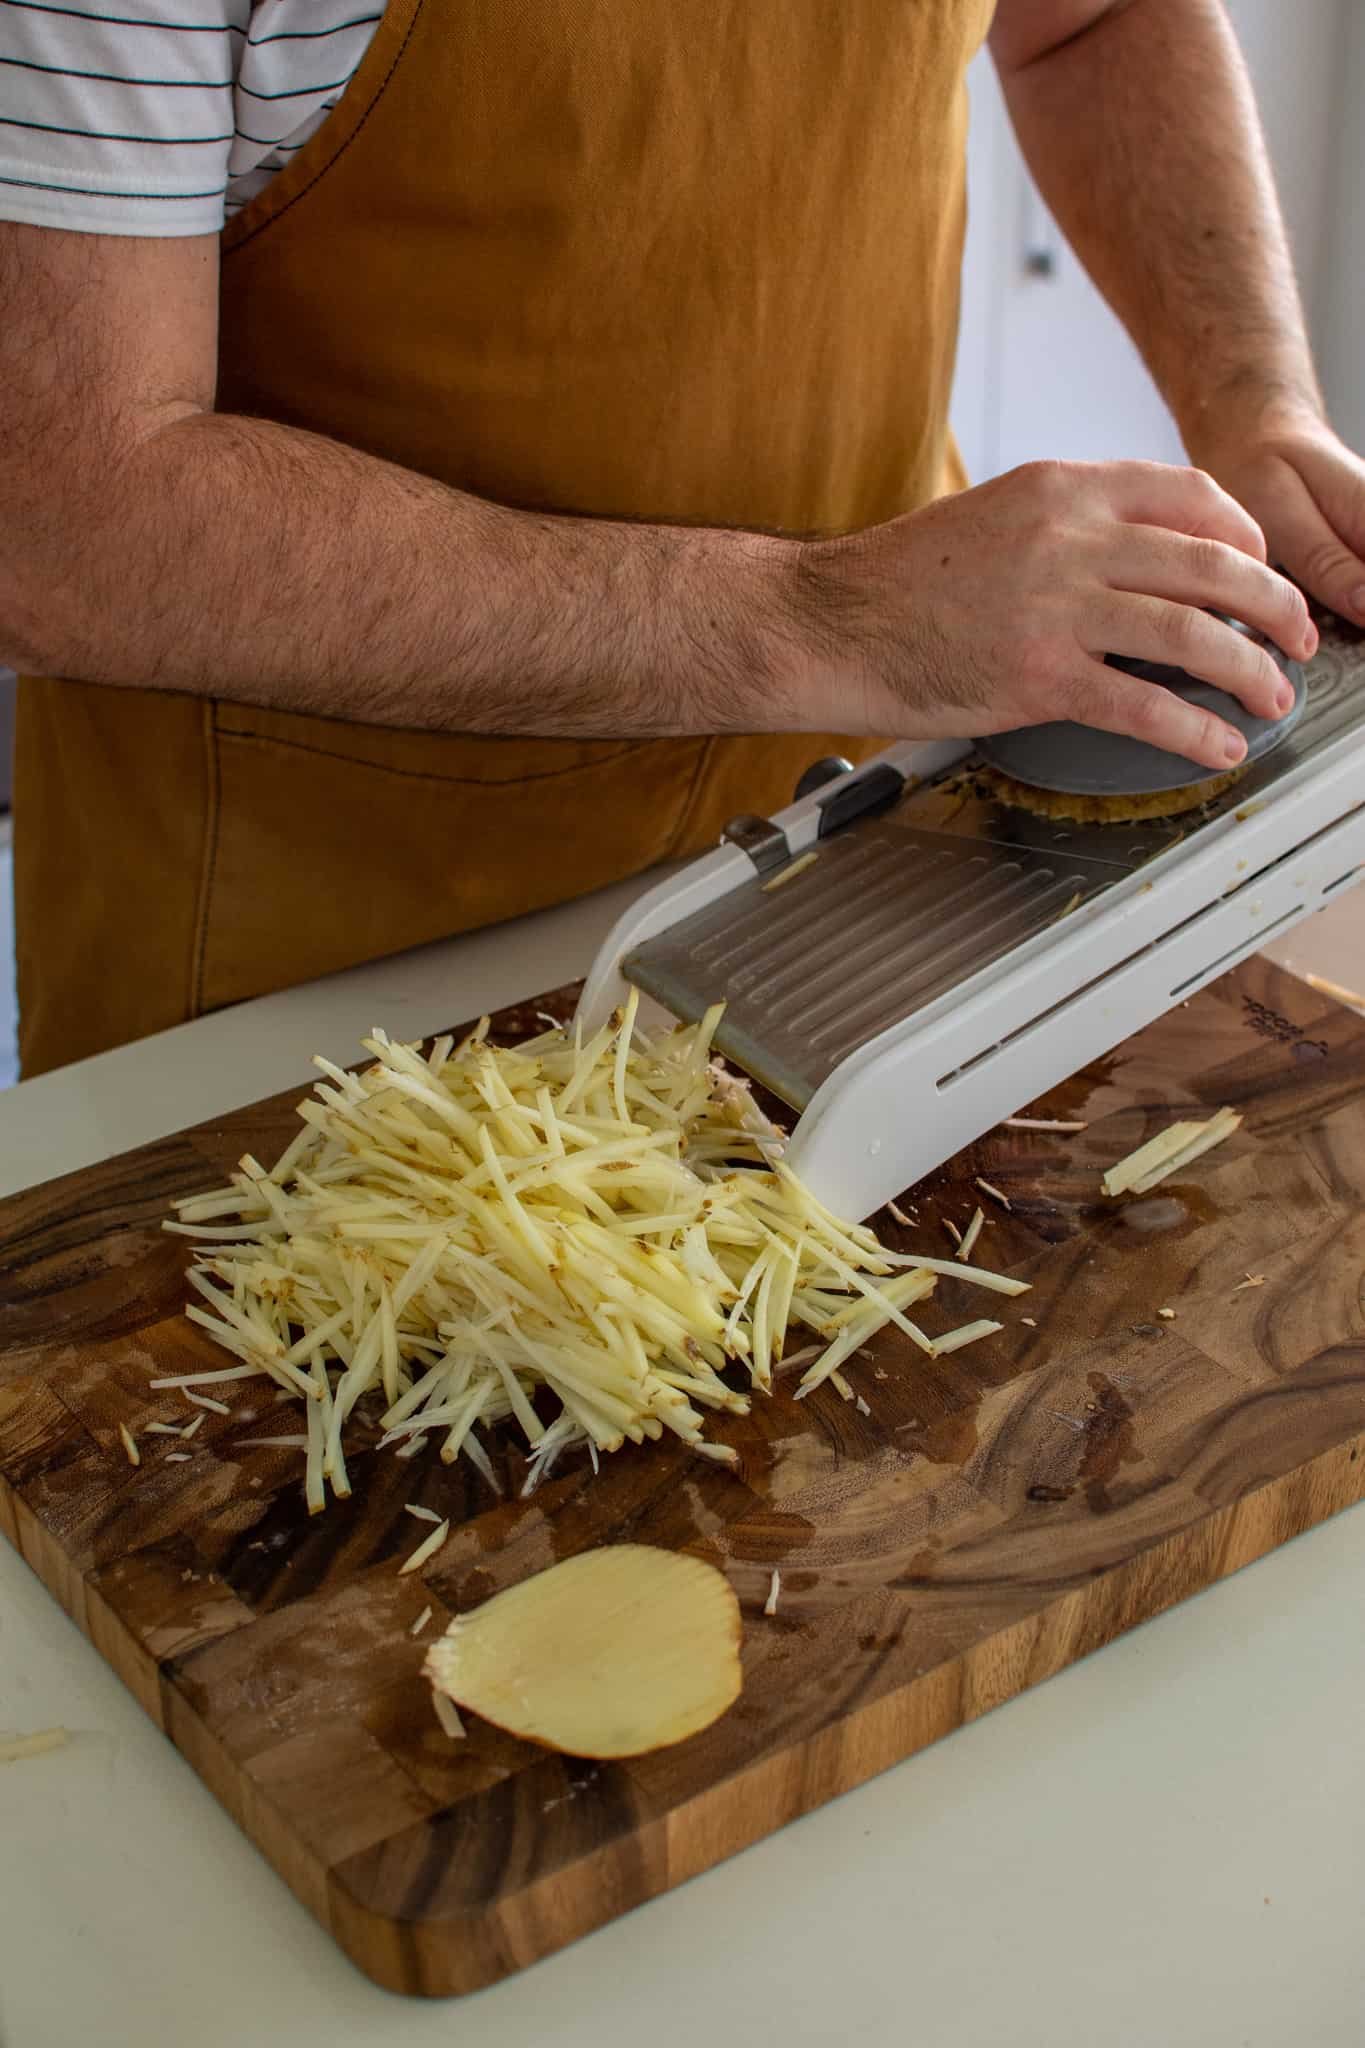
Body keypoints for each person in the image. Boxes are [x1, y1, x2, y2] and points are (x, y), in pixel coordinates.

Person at [2, 0, 1361, 1077]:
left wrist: (1253, 400)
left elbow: (1093, 19)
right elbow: (61, 522)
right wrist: (830, 618)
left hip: (882, 852)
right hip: (334, 989)